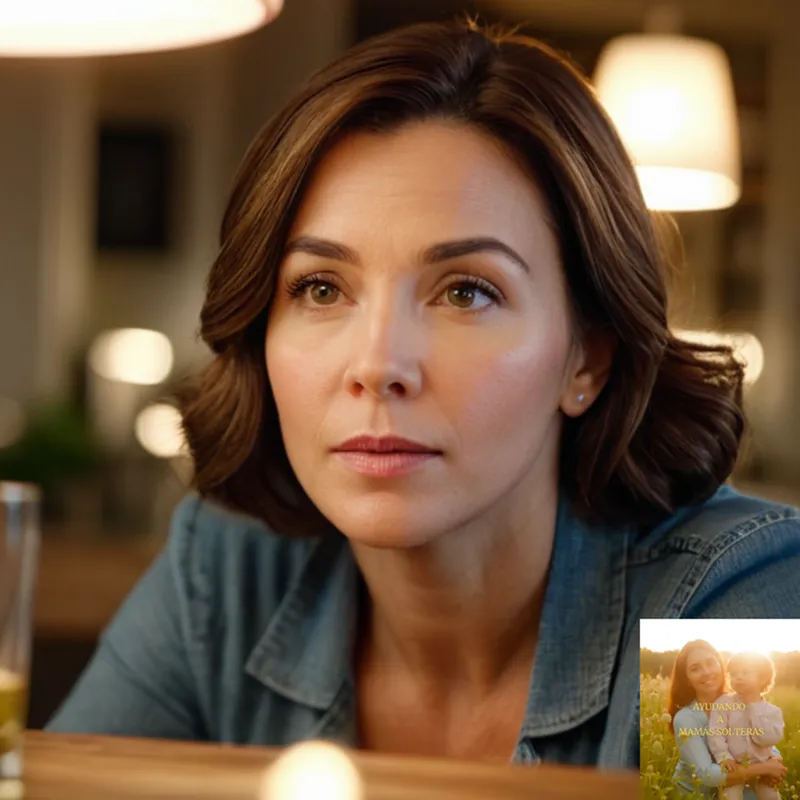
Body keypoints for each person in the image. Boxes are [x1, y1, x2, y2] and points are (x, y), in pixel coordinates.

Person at [46, 19, 800, 767]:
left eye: (466, 293)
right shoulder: (226, 572)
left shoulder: (728, 600)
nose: (378, 364)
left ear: (586, 361)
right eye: (320, 287)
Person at [668, 641, 787, 797]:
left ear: (721, 667)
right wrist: (765, 768)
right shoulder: (685, 718)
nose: (706, 672)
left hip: (735, 783)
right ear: (687, 679)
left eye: (711, 663)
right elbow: (706, 775)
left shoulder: (740, 701)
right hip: (697, 794)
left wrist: (775, 758)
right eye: (695, 669)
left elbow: (757, 736)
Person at [707, 652, 785, 800]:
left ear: (762, 679)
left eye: (745, 672)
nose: (739, 677)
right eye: (734, 674)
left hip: (762, 767)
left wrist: (752, 706)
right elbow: (716, 733)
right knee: (729, 796)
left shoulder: (773, 712)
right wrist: (724, 757)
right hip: (735, 766)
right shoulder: (723, 703)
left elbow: (767, 739)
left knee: (771, 796)